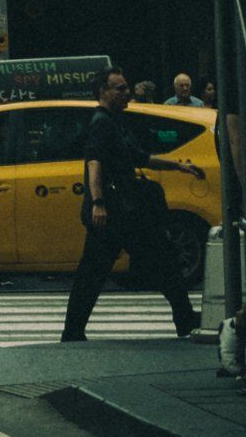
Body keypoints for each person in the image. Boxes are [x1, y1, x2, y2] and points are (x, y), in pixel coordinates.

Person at [62, 69, 198, 344]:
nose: (127, 93)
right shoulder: (102, 122)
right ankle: (184, 318)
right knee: (160, 261)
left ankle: (73, 332)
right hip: (114, 213)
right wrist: (98, 203)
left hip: (122, 214)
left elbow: (140, 157)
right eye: (120, 88)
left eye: (126, 88)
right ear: (103, 91)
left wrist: (178, 166)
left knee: (99, 273)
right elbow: (94, 162)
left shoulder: (114, 122)